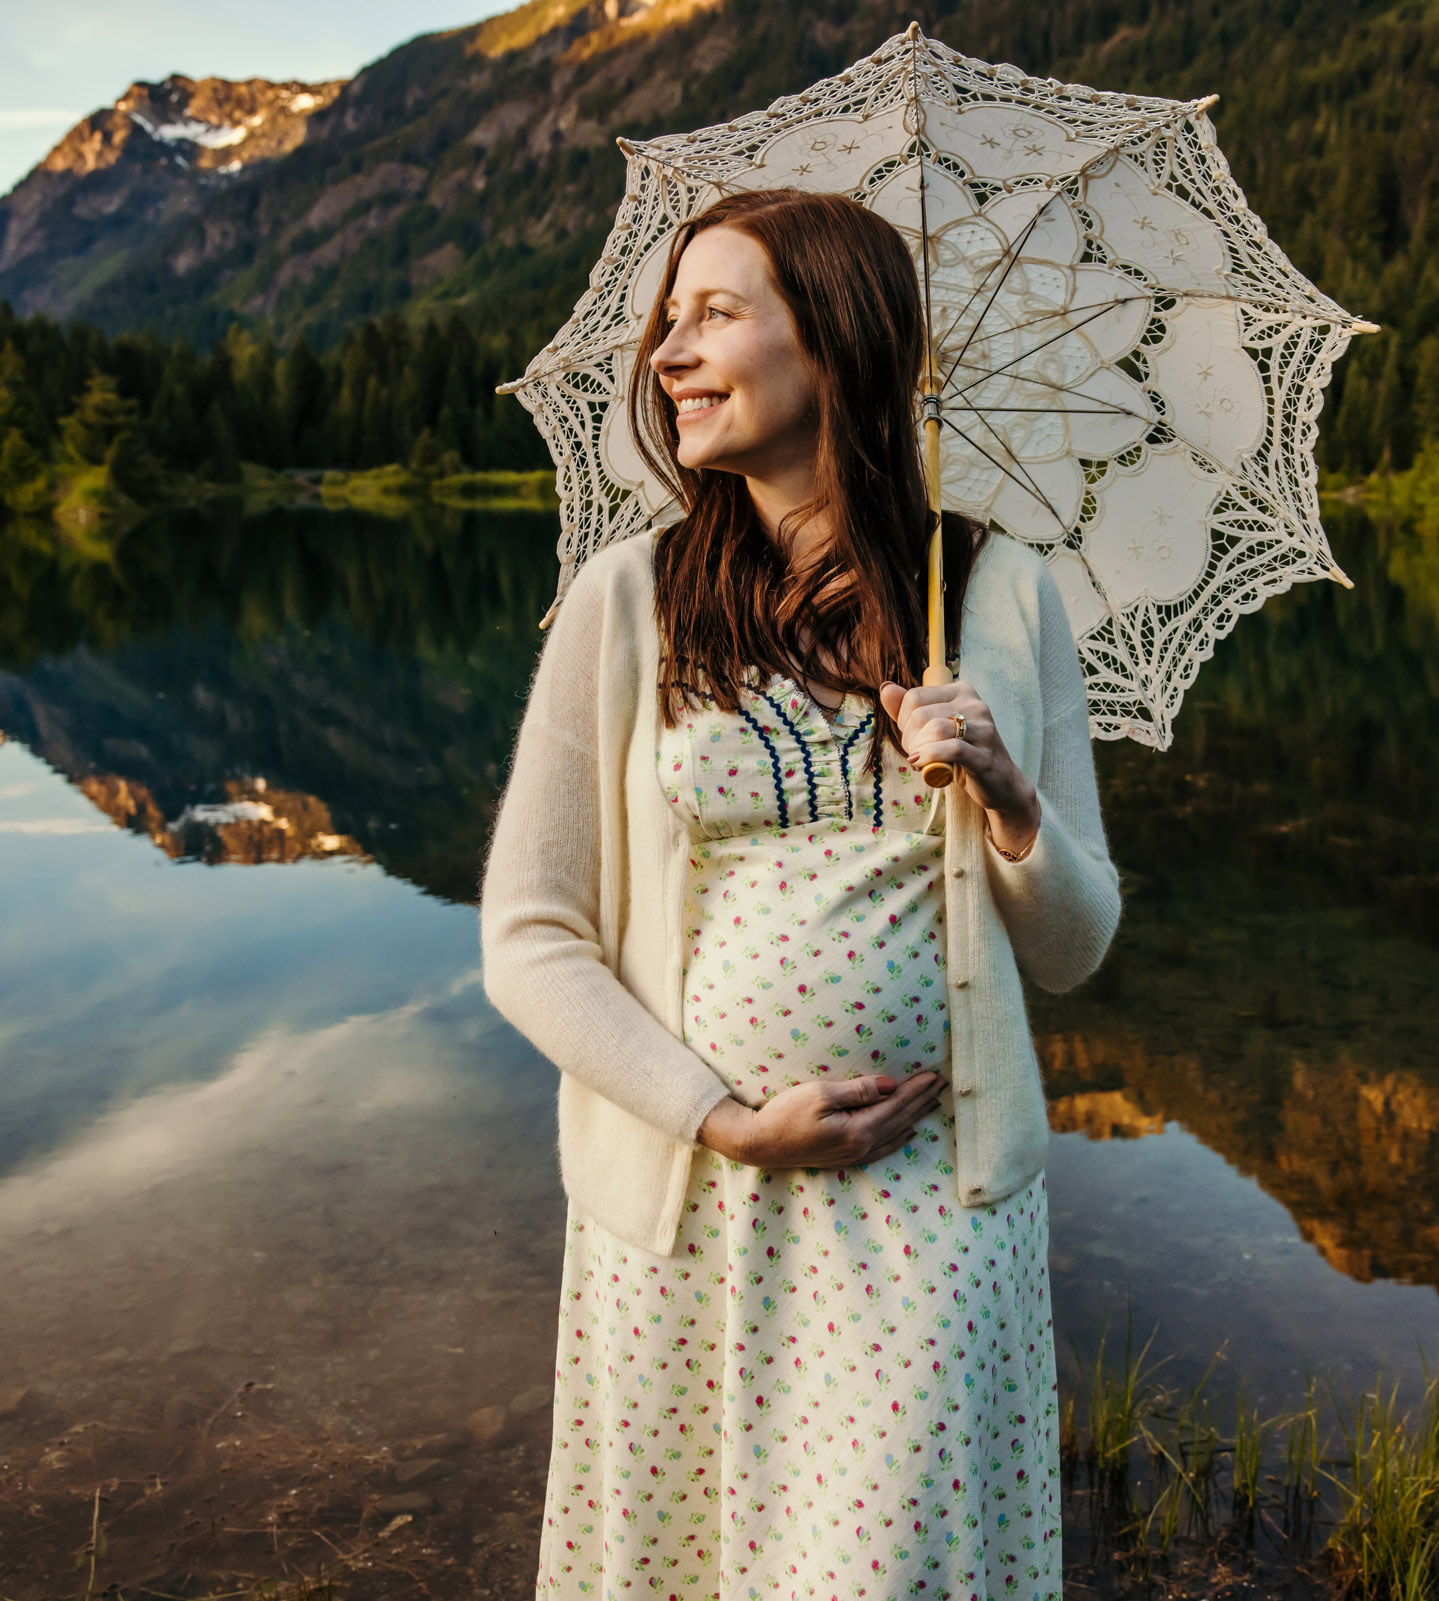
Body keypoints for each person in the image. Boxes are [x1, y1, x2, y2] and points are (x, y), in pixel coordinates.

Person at [480, 187, 1121, 1599]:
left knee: (882, 1566)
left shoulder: (997, 593)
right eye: (668, 319)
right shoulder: (628, 595)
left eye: (714, 313)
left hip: (930, 1206)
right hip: (693, 1200)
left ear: (833, 337)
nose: (668, 351)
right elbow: (529, 939)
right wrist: (719, 1117)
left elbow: (1076, 948)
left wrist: (1011, 801)